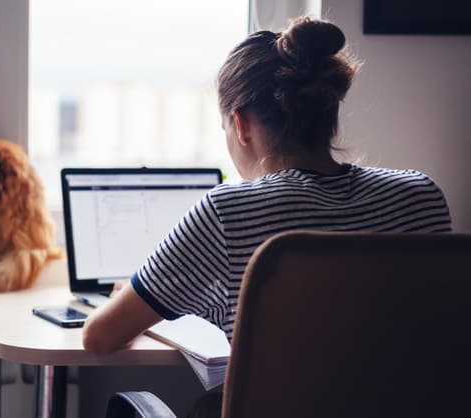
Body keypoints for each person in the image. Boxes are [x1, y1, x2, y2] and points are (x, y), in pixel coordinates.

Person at [82, 16, 452, 355]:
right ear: (328, 111)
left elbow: (99, 337)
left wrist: (136, 298)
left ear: (240, 125)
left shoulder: (228, 213)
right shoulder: (420, 196)